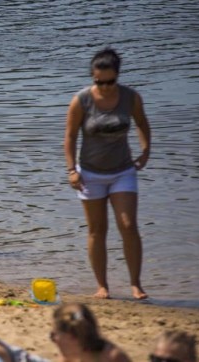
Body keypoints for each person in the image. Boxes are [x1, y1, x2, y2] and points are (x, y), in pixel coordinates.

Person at [64, 48, 151, 300]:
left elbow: (142, 123)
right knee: (96, 230)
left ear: (118, 77)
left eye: (109, 82)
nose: (104, 87)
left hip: (123, 170)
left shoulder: (130, 97)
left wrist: (145, 151)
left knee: (128, 225)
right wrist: (71, 170)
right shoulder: (81, 100)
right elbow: (69, 137)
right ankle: (102, 286)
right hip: (89, 173)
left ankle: (136, 284)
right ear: (93, 78)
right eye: (99, 82)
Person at [50, 303, 131, 362]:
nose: (54, 341)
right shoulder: (68, 357)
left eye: (53, 335)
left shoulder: (113, 357)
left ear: (72, 337)